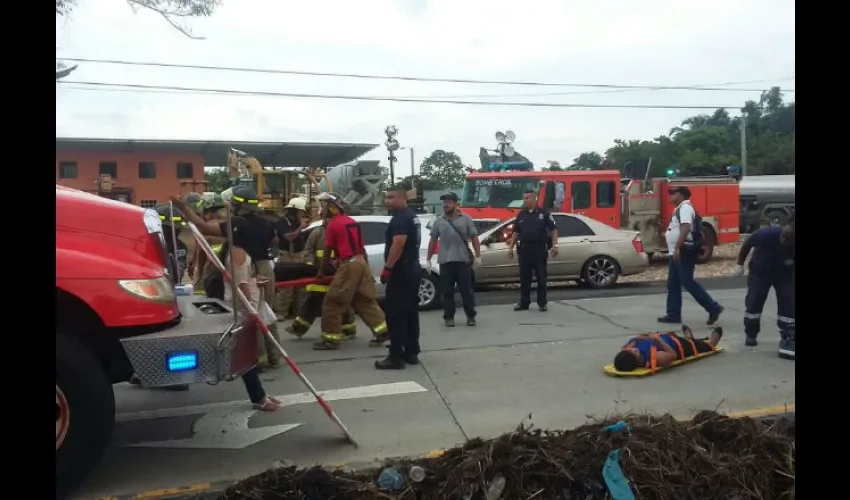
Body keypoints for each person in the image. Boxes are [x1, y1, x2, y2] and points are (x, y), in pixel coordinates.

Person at [170, 186, 284, 369]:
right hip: (265, 269)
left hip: (245, 268)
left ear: (238, 205)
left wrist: (184, 208)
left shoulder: (237, 223)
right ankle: (274, 356)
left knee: (249, 315)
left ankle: (258, 358)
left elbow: (204, 227)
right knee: (264, 311)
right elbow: (275, 241)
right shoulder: (266, 223)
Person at [314, 192, 389, 351]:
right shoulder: (352, 222)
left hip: (349, 265)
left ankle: (330, 340)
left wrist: (321, 271)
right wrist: (367, 270)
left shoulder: (333, 224)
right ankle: (383, 331)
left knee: (333, 302)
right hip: (360, 262)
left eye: (325, 206)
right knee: (363, 300)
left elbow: (327, 249)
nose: (323, 209)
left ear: (333, 207)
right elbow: (362, 249)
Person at [222, 216, 282, 411]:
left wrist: (256, 281)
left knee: (245, 354)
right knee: (245, 355)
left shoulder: (240, 252)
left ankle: (260, 396)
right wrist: (250, 310)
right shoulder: (238, 253)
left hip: (247, 307)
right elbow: (241, 285)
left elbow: (244, 279)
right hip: (243, 309)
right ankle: (259, 397)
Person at [285, 214, 358, 340]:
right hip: (319, 273)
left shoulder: (341, 231)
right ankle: (298, 327)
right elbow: (308, 251)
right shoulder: (317, 233)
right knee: (312, 301)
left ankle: (348, 328)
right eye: (326, 218)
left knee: (341, 302)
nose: (328, 220)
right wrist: (310, 265)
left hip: (338, 273)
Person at [657, 186, 724, 325]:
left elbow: (686, 227)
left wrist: (677, 247)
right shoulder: (679, 209)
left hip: (683, 251)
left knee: (687, 282)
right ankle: (673, 314)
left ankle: (713, 308)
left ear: (681, 196)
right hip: (675, 252)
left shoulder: (685, 208)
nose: (671, 196)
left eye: (674, 194)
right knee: (673, 284)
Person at [734, 217, 795, 359]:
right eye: (783, 237)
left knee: (788, 302)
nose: (783, 241)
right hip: (760, 271)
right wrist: (739, 264)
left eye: (788, 239)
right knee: (755, 299)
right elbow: (747, 244)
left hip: (784, 274)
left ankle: (788, 336)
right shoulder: (767, 234)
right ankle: (751, 333)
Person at [376, 187, 423, 369]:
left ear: (403, 199)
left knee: (395, 314)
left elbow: (398, 244)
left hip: (401, 272)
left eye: (391, 197)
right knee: (410, 312)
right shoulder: (411, 216)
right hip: (412, 269)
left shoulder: (400, 219)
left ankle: (396, 356)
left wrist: (387, 268)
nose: (387, 201)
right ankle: (411, 352)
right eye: (386, 197)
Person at [426, 192, 481, 327]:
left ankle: (471, 316)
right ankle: (449, 317)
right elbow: (433, 241)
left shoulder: (466, 219)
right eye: (444, 202)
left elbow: (474, 237)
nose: (446, 205)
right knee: (447, 292)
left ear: (456, 204)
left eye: (449, 202)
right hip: (445, 262)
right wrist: (428, 259)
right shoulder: (439, 221)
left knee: (466, 291)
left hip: (463, 261)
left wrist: (478, 255)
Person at [506, 190, 558, 311]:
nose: (525, 200)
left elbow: (554, 229)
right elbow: (516, 232)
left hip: (539, 248)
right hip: (525, 249)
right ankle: (524, 303)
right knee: (524, 278)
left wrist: (555, 245)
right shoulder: (521, 214)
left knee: (541, 277)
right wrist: (510, 248)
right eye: (524, 198)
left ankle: (542, 303)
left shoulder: (543, 212)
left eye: (527, 198)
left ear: (535, 199)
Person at [613, 325, 723, 372]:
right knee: (701, 345)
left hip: (668, 338)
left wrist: (640, 337)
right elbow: (672, 354)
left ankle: (689, 338)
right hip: (680, 346)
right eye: (634, 352)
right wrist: (657, 339)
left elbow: (624, 349)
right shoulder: (656, 358)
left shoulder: (628, 352)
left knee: (690, 340)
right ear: (637, 360)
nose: (634, 349)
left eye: (631, 350)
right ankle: (710, 342)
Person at [274, 197, 309, 321]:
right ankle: (281, 312)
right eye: (301, 211)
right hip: (287, 257)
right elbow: (289, 237)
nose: (302, 214)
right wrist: (301, 227)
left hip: (299, 255)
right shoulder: (282, 222)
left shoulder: (298, 222)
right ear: (295, 211)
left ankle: (297, 312)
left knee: (301, 286)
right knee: (286, 287)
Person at [188, 194, 227, 293]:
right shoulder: (229, 225)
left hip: (210, 276)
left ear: (208, 212)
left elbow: (201, 257)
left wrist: (198, 281)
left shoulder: (207, 228)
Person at [155, 204, 189, 286]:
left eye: (177, 229)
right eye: (166, 228)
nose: (177, 231)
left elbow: (178, 274)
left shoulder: (180, 246)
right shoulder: (147, 245)